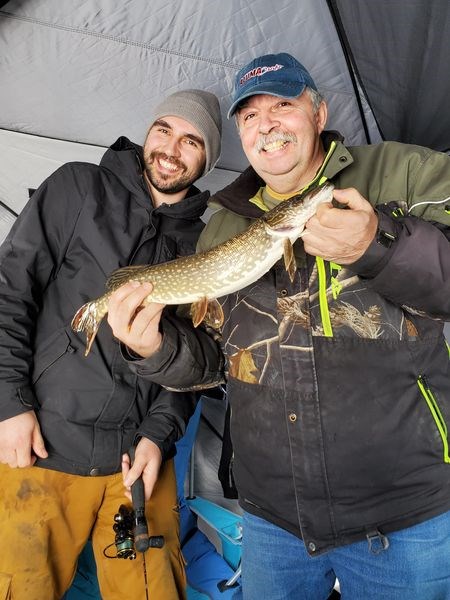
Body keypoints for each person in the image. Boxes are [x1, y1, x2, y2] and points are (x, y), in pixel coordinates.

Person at [106, 53, 450, 599]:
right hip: (271, 519)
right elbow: (218, 360)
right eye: (249, 114)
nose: (265, 122)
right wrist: (155, 349)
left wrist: (381, 246)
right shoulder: (222, 222)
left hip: (404, 513)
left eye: (283, 104)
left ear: (319, 112)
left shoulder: (403, 172)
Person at [0, 88, 222, 600]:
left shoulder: (207, 244)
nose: (171, 148)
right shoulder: (78, 187)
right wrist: (9, 402)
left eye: (192, 141)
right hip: (40, 450)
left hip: (137, 466)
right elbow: (11, 291)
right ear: (148, 132)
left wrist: (158, 435)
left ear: (207, 159)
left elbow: (192, 366)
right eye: (164, 129)